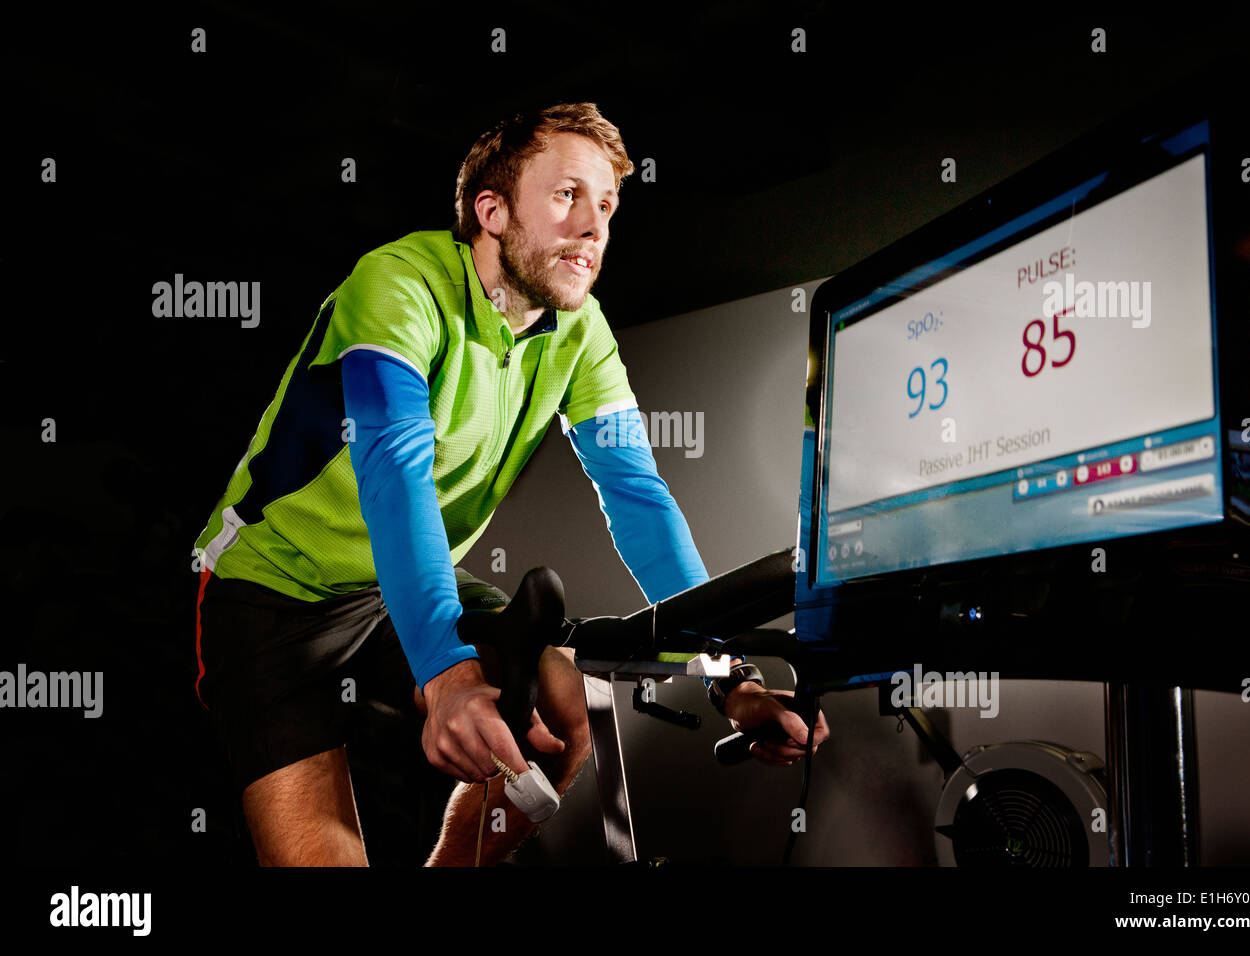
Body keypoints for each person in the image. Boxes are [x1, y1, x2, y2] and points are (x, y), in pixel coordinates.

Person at [192, 102, 829, 866]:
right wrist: (446, 676)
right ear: (491, 211)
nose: (593, 226)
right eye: (567, 196)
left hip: (393, 582)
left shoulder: (581, 330)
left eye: (606, 205)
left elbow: (638, 497)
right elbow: (394, 472)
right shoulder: (397, 286)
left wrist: (734, 680)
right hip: (273, 589)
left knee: (565, 709)